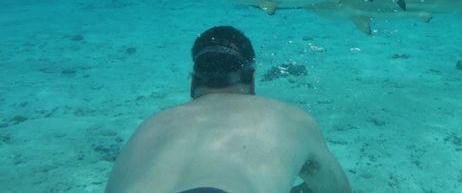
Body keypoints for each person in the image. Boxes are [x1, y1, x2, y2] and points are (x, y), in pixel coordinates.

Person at [105, 26, 352, 193]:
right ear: (252, 79)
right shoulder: (290, 118)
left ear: (193, 81)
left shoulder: (151, 126)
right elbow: (337, 189)